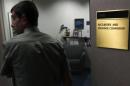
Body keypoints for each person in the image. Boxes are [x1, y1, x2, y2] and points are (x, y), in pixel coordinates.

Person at [0, 1, 72, 86]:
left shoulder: (10, 45)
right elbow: (67, 79)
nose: (12, 24)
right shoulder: (57, 43)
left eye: (14, 18)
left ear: (24, 19)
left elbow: (7, 73)